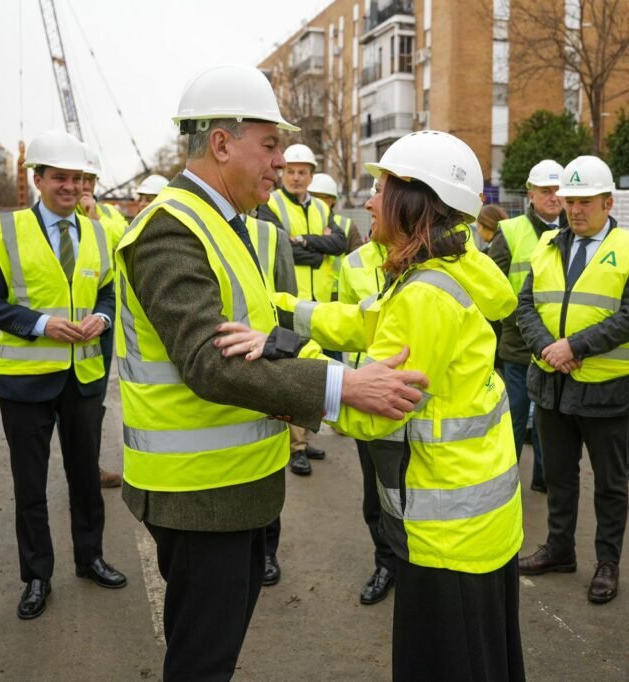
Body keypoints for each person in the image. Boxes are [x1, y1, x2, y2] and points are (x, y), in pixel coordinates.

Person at [113, 64, 426, 680]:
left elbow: (260, 342)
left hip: (237, 485)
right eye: (270, 144)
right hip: (199, 496)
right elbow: (210, 364)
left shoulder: (234, 227)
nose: (280, 163)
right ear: (221, 143)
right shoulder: (170, 229)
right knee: (203, 660)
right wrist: (343, 385)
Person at [222, 129, 525, 681]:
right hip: (478, 520)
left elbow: (372, 409)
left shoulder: (424, 295)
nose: (367, 200)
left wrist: (283, 358)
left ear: (415, 202)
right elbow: (368, 318)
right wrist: (283, 310)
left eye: (381, 188)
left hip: (444, 529)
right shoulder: (448, 268)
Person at [0, 130, 127, 620]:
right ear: (36, 178)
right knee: (30, 485)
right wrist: (40, 324)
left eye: (77, 178)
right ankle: (37, 576)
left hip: (83, 377)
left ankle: (91, 558)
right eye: (59, 177)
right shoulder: (4, 231)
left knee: (84, 477)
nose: (70, 186)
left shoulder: (100, 232)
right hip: (28, 381)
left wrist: (101, 319)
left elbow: (107, 292)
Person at [516, 155, 629, 605]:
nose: (573, 209)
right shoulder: (548, 246)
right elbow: (525, 307)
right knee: (558, 476)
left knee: (610, 484)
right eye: (568, 200)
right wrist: (546, 348)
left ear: (608, 201)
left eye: (584, 201)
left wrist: (574, 346)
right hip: (552, 385)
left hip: (605, 390)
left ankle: (607, 563)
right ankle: (559, 549)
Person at [257, 143, 347, 475]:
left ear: (312, 175)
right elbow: (280, 246)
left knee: (315, 372)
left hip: (319, 306)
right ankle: (296, 447)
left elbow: (339, 243)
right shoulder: (273, 203)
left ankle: (305, 439)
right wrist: (315, 247)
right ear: (283, 173)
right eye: (291, 171)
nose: (296, 177)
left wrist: (302, 242)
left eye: (302, 172)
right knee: (295, 374)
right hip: (289, 303)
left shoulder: (323, 208)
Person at [490, 160, 565, 494]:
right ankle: (506, 484)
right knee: (516, 419)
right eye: (546, 191)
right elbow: (490, 289)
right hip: (519, 347)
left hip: (558, 347)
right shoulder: (510, 232)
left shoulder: (574, 230)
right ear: (531, 194)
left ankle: (544, 479)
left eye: (558, 191)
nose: (553, 198)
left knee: (551, 423)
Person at [335, 217, 394, 605]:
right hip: (365, 392)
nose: (373, 211)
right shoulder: (353, 262)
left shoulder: (423, 258)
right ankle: (386, 562)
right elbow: (341, 320)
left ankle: (416, 562)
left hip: (412, 390)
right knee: (374, 491)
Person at [243, 211, 298, 587]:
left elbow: (288, 308)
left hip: (265, 365)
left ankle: (266, 551)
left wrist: (287, 375)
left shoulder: (270, 236)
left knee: (266, 461)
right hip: (216, 367)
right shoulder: (191, 224)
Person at [77, 143, 126, 489]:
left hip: (101, 320)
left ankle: (88, 467)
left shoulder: (111, 217)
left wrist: (92, 218)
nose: (81, 187)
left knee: (92, 398)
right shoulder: (46, 219)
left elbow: (120, 249)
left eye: (87, 180)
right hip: (57, 325)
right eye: (76, 179)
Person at [309, 172, 364, 252]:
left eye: (322, 197)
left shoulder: (347, 226)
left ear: (333, 201)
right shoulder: (297, 222)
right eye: (313, 196)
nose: (317, 202)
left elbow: (358, 260)